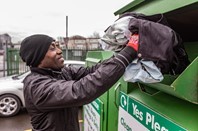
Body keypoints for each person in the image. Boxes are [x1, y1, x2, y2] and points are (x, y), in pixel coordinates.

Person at [19, 34, 138, 131]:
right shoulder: (36, 86)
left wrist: (122, 52)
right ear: (37, 56)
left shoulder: (62, 72)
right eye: (52, 48)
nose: (60, 51)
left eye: (57, 46)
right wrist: (128, 53)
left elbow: (92, 71)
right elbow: (80, 91)